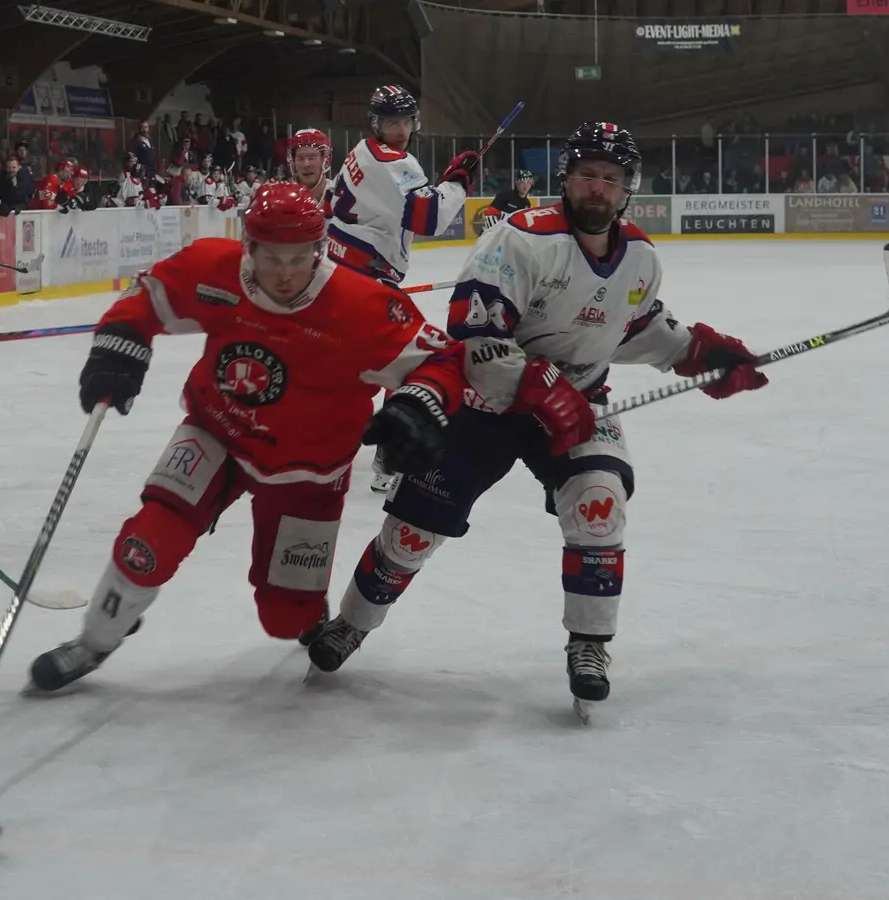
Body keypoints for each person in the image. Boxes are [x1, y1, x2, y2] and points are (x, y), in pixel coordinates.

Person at [305, 122, 770, 719]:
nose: (597, 188)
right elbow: (475, 338)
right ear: (567, 180)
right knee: (412, 533)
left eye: (611, 178)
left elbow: (636, 328)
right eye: (586, 175)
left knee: (600, 508)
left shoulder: (641, 258)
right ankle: (353, 622)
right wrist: (539, 387)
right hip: (485, 408)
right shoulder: (519, 239)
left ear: (627, 188)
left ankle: (589, 645)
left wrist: (701, 353)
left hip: (578, 401)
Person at [26, 184, 467, 692]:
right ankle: (94, 642)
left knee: (284, 620)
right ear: (248, 246)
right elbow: (147, 293)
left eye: (299, 258)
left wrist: (418, 404)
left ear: (320, 249)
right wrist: (120, 339)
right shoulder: (215, 268)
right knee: (145, 544)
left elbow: (444, 360)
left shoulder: (362, 306)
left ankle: (302, 602)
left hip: (309, 470)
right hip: (216, 432)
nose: (284, 273)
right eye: (271, 257)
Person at [328, 85, 481, 493]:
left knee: (352, 368)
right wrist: (458, 185)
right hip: (364, 280)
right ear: (376, 124)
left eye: (405, 121)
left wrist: (448, 181)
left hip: (344, 270)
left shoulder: (362, 151)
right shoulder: (389, 160)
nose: (399, 130)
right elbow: (427, 216)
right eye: (390, 122)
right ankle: (390, 454)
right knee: (419, 363)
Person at [288, 128, 334, 210]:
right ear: (293, 163)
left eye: (312, 157)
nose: (306, 164)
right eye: (300, 158)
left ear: (325, 160)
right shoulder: (286, 199)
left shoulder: (339, 198)